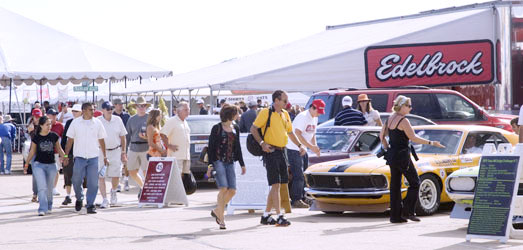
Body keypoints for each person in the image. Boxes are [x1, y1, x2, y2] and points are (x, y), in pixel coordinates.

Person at [380, 95, 444, 223]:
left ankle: (395, 216)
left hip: (393, 155)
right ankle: (408, 211)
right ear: (402, 106)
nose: (410, 108)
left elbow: (381, 136)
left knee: (395, 185)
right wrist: (432, 143)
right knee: (415, 182)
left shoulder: (390, 118)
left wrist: (387, 149)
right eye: (408, 106)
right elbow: (413, 138)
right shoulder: (403, 121)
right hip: (402, 155)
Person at [250, 90, 306, 227]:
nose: (287, 103)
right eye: (284, 101)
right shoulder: (266, 112)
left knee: (279, 184)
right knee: (275, 184)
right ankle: (280, 215)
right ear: (276, 100)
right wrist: (262, 143)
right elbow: (253, 129)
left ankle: (266, 215)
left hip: (282, 151)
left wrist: (300, 145)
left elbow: (290, 132)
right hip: (271, 152)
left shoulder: (285, 114)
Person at [63, 103, 108, 214]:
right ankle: (79, 198)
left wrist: (105, 156)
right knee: (76, 180)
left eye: (93, 109)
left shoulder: (97, 123)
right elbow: (70, 140)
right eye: (90, 110)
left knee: (93, 182)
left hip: (93, 157)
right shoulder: (75, 123)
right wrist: (65, 156)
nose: (92, 112)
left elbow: (101, 140)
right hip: (79, 157)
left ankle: (90, 204)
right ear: (83, 110)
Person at [207, 104, 246, 230]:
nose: (238, 115)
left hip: (230, 162)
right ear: (231, 114)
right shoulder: (216, 128)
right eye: (237, 113)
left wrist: (242, 163)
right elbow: (211, 148)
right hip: (218, 161)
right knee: (223, 188)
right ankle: (221, 219)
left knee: (233, 190)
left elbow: (238, 147)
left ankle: (218, 210)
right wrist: (210, 165)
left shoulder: (236, 128)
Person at [24, 115, 66, 216]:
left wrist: (65, 156)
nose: (49, 126)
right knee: (42, 187)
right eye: (47, 124)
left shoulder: (54, 136)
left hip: (51, 165)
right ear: (41, 126)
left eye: (50, 124)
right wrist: (27, 163)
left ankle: (49, 206)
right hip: (39, 165)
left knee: (49, 188)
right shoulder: (37, 137)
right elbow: (32, 151)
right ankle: (42, 208)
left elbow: (59, 149)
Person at [286, 99, 324, 208]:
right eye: (318, 111)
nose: (319, 114)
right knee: (298, 175)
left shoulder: (315, 118)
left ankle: (302, 197)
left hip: (304, 149)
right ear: (312, 108)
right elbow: (297, 133)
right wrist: (308, 146)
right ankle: (296, 199)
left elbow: (313, 134)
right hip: (294, 148)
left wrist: (314, 146)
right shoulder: (303, 117)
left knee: (304, 175)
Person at [97, 101, 128, 208]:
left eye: (111, 108)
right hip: (101, 151)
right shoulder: (98, 121)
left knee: (116, 175)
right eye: (107, 108)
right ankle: (105, 199)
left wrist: (123, 152)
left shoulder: (118, 120)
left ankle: (113, 192)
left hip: (116, 150)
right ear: (103, 110)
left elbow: (123, 137)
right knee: (101, 176)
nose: (110, 110)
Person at [125, 96, 150, 196]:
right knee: (131, 171)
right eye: (140, 106)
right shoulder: (131, 119)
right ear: (136, 107)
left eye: (144, 105)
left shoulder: (149, 118)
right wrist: (124, 151)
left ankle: (147, 191)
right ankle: (143, 187)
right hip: (134, 148)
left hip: (146, 148)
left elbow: (156, 133)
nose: (142, 107)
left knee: (146, 172)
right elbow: (127, 135)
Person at [60, 104, 83, 205]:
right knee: (67, 174)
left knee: (81, 176)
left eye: (76, 111)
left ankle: (81, 196)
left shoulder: (85, 123)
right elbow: (64, 138)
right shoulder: (69, 122)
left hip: (82, 153)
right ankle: (68, 195)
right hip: (70, 153)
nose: (74, 113)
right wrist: (63, 154)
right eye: (73, 111)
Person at [161, 102, 191, 177]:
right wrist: (168, 145)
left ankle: (182, 189)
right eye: (185, 110)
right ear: (178, 111)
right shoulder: (172, 121)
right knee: (176, 177)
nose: (188, 111)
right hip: (176, 155)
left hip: (186, 155)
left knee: (184, 177)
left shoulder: (185, 122)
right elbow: (163, 134)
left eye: (188, 109)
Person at [113, 98, 131, 192]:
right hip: (115, 144)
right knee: (117, 164)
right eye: (119, 104)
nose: (121, 105)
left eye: (122, 104)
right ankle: (118, 183)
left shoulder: (127, 116)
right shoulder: (111, 116)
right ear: (115, 105)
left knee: (126, 163)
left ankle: (126, 180)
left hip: (126, 142)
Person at [46, 108, 64, 196]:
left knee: (56, 169)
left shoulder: (60, 126)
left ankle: (53, 187)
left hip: (56, 151)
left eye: (55, 115)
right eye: (52, 115)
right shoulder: (44, 125)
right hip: (45, 152)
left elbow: (63, 139)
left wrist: (63, 155)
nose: (54, 116)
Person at [28, 108, 43, 202]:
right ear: (33, 117)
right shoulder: (31, 126)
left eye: (39, 117)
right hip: (34, 152)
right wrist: (31, 131)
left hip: (44, 152)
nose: (37, 119)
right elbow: (34, 139)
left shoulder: (44, 125)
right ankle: (35, 193)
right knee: (35, 174)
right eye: (36, 117)